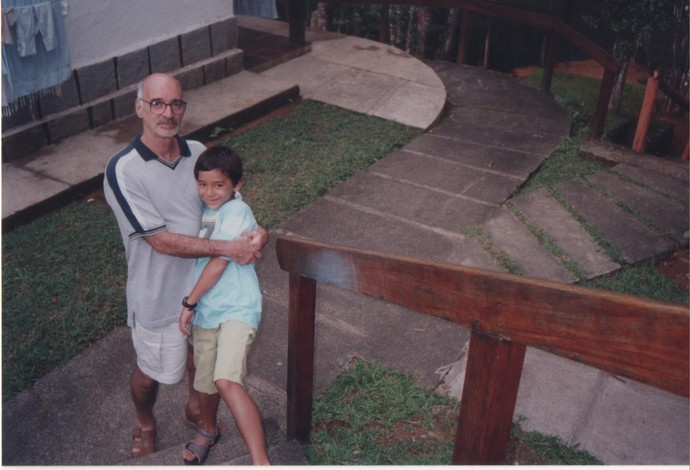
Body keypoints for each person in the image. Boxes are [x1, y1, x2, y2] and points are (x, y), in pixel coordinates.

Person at [103, 73, 267, 459]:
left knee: (200, 358)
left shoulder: (195, 150)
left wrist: (257, 231)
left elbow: (229, 201)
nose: (168, 112)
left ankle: (196, 408)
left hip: (207, 288)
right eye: (157, 103)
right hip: (159, 294)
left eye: (176, 103)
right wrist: (229, 248)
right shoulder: (123, 169)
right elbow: (159, 241)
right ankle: (145, 420)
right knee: (152, 372)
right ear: (139, 107)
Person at [179, 146, 269, 465]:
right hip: (209, 310)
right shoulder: (206, 210)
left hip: (237, 308)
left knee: (225, 380)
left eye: (219, 185)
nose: (209, 192)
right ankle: (207, 429)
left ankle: (261, 461)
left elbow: (218, 262)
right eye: (203, 184)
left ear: (236, 185)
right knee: (205, 381)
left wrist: (189, 302)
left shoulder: (236, 212)